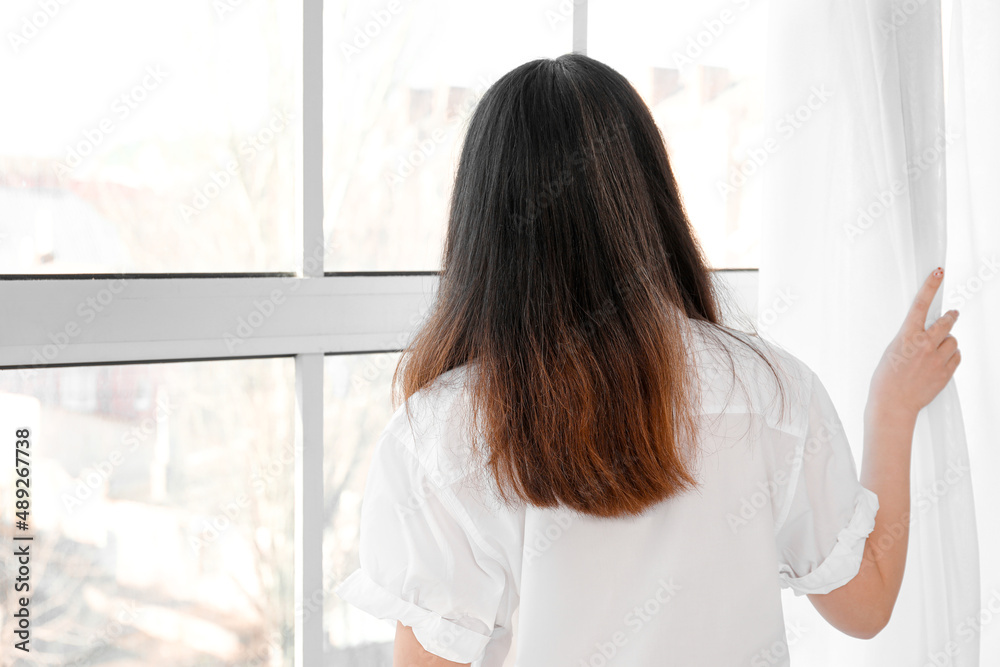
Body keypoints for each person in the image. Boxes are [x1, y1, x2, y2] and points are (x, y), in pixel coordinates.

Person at [333, 53, 962, 666]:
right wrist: (892, 407)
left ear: (482, 223)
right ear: (650, 195)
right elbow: (866, 606)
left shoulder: (439, 435)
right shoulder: (771, 392)